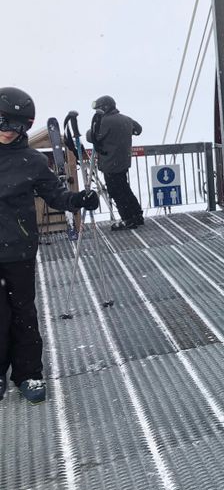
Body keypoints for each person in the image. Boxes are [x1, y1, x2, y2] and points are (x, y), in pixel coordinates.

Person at [0, 87, 99, 404]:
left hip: (17, 250)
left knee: (22, 313)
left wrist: (79, 200)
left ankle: (28, 374)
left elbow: (56, 195)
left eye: (18, 126)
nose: (8, 131)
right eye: (3, 123)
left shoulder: (31, 161)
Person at [86, 95, 144, 231]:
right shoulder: (126, 119)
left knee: (116, 192)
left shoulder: (104, 122)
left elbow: (91, 136)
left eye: (98, 109)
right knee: (125, 189)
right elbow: (138, 129)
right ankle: (137, 215)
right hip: (123, 162)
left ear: (104, 107)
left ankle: (127, 219)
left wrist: (94, 125)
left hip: (110, 163)